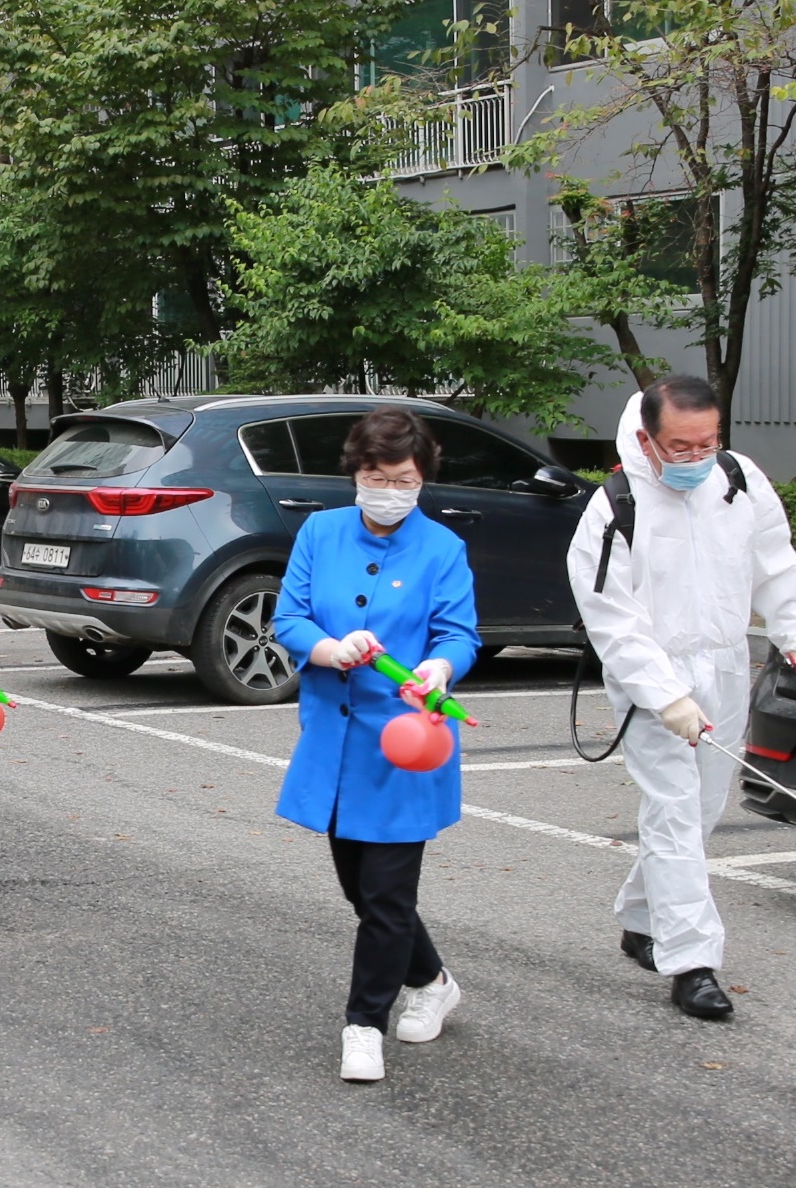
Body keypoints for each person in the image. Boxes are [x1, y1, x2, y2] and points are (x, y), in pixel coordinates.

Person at [567, 377, 796, 1020]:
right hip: (653, 673)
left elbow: (775, 560)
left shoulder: (738, 479)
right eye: (680, 445)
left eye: (708, 441)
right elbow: (612, 619)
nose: (696, 456)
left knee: (703, 809)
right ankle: (693, 963)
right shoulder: (613, 508)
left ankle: (639, 917)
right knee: (676, 810)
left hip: (727, 662)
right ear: (647, 438)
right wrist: (664, 694)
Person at [271, 406, 481, 1083]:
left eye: (403, 479)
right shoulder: (319, 531)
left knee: (387, 895)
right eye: (375, 475)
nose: (388, 490)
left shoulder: (441, 549)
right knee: (362, 891)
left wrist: (439, 667)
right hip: (334, 742)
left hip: (404, 743)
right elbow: (290, 617)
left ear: (422, 480)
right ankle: (432, 979)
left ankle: (363, 1024)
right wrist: (331, 648)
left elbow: (458, 634)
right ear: (354, 472)